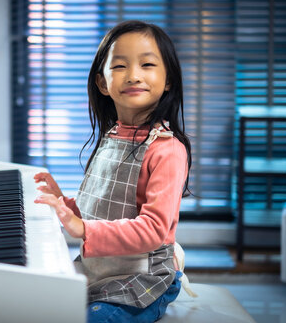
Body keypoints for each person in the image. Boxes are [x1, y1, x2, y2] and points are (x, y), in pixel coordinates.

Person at [33, 20, 194, 323]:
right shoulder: (111, 137)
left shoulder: (167, 150)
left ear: (168, 79)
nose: (134, 75)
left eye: (147, 64)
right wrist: (64, 203)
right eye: (120, 66)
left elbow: (152, 231)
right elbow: (98, 210)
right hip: (98, 270)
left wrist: (82, 229)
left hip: (143, 280)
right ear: (102, 83)